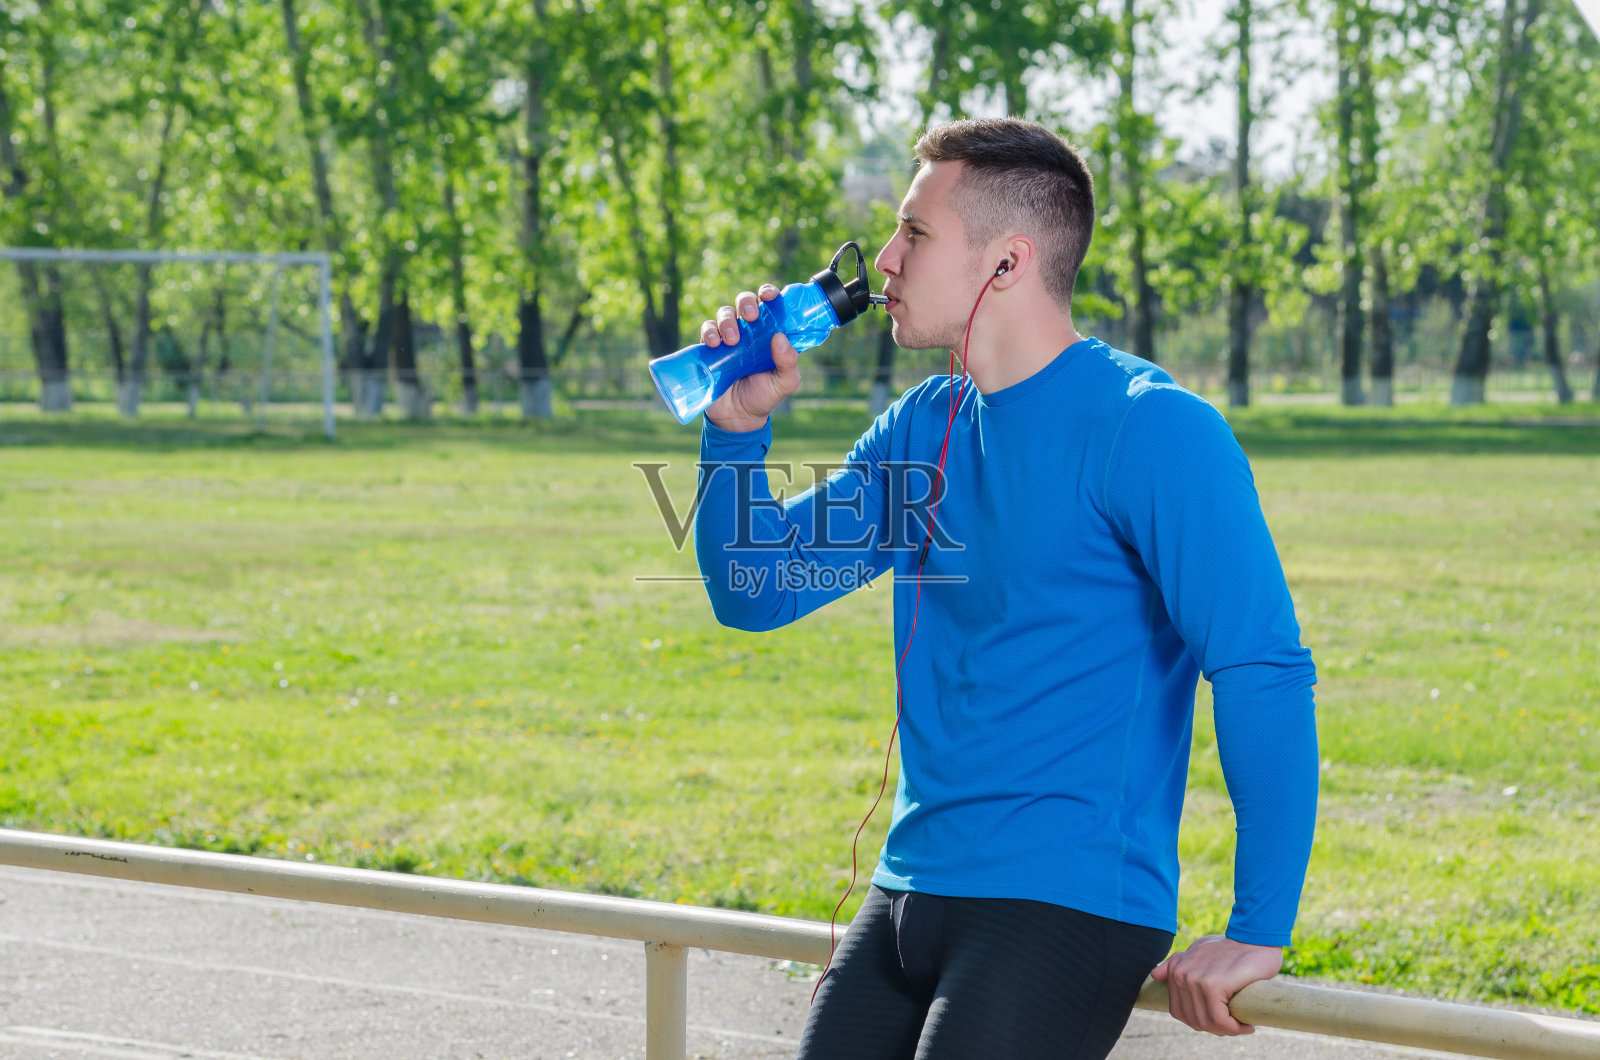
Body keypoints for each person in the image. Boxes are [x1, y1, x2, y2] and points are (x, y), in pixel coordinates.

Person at [689, 118, 1318, 1060]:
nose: (885, 260)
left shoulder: (1152, 429)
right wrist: (736, 432)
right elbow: (757, 589)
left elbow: (1261, 667)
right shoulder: (922, 424)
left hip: (1063, 903)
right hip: (910, 888)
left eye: (915, 233)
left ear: (1009, 261)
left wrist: (1259, 927)